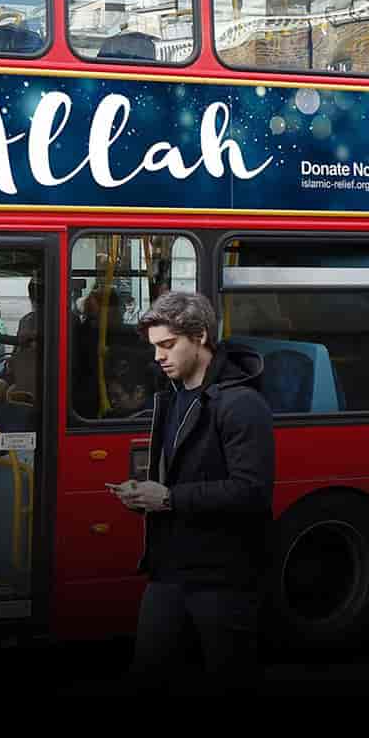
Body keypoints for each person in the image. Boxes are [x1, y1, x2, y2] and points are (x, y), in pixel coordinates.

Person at [111, 291, 273, 695]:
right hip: (168, 571)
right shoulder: (173, 395)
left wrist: (166, 498)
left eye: (167, 345)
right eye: (154, 347)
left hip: (223, 579)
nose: (158, 357)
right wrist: (144, 495)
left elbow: (251, 492)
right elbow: (176, 475)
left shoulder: (242, 404)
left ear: (200, 336)